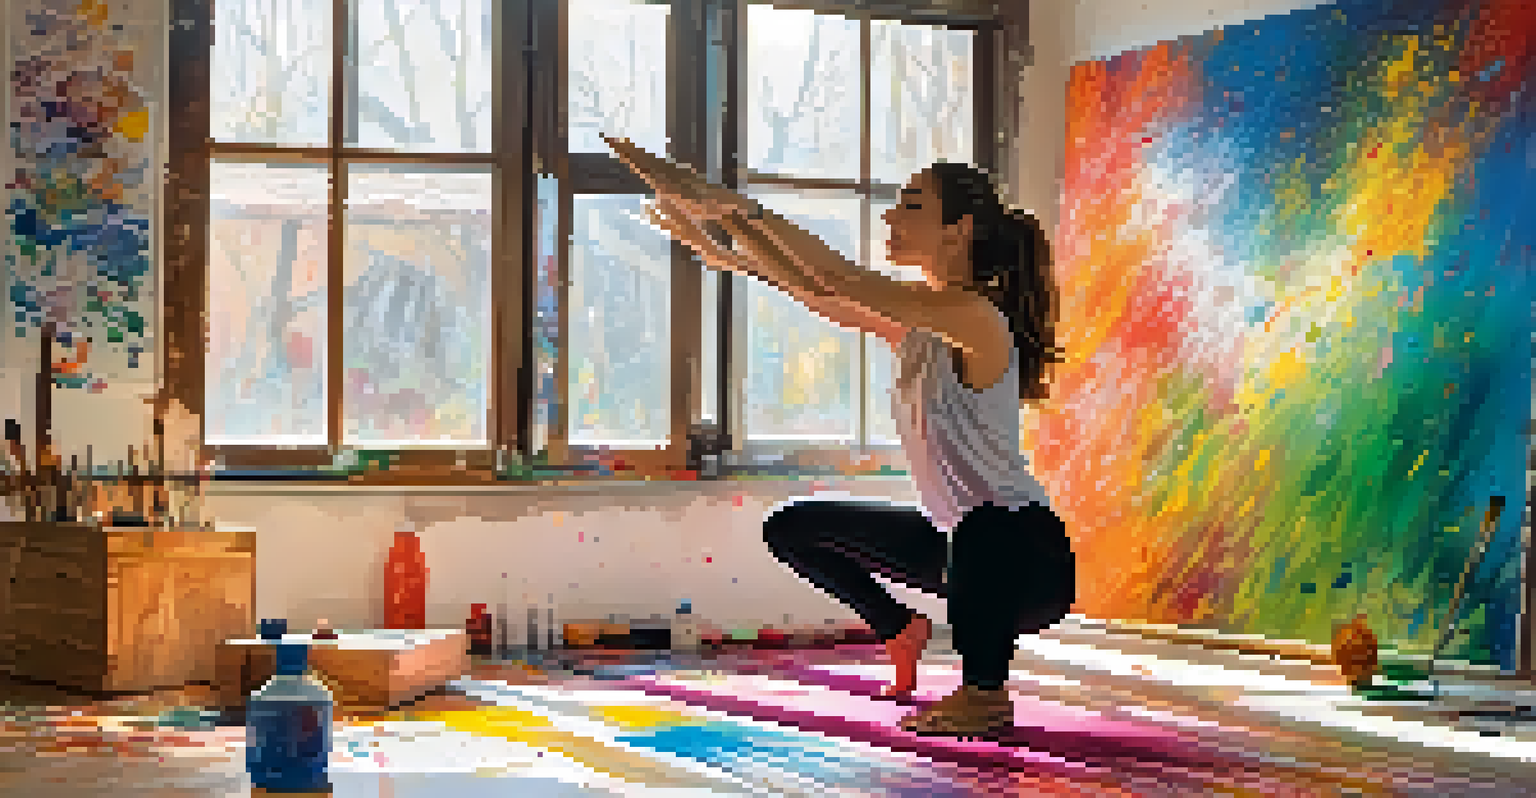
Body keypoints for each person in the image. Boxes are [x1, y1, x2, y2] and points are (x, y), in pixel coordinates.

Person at [603, 135, 1076, 739]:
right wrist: (725, 248)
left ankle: (985, 692)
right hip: (962, 549)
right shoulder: (921, 326)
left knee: (984, 521)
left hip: (1026, 560)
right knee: (794, 528)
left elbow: (835, 276)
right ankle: (899, 628)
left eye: (911, 205)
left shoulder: (976, 317)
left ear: (958, 230)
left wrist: (729, 207)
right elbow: (819, 291)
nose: (890, 216)